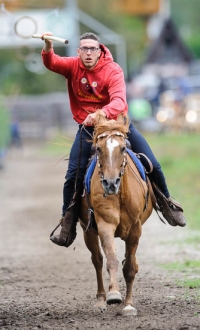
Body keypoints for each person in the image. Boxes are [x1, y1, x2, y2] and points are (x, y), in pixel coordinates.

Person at [41, 31, 186, 248]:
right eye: (84, 49)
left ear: (100, 51)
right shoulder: (72, 66)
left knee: (152, 163)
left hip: (119, 125)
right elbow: (52, 62)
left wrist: (99, 114)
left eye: (92, 49)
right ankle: (67, 221)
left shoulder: (113, 70)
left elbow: (119, 101)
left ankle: (167, 204)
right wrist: (48, 46)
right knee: (72, 174)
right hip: (89, 130)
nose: (88, 53)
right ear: (79, 52)